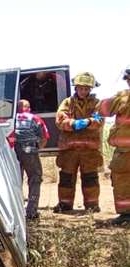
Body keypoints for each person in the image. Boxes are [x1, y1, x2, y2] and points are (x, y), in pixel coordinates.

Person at [54, 72, 105, 213]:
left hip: (89, 151)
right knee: (66, 179)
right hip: (69, 151)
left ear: (91, 89)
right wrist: (73, 124)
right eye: (81, 88)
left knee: (90, 179)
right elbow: (60, 121)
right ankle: (64, 205)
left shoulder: (96, 104)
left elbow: (99, 120)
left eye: (87, 89)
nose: (83, 91)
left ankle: (92, 206)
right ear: (75, 88)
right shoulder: (67, 103)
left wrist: (88, 121)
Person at [97, 66, 130, 226]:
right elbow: (103, 109)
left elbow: (102, 109)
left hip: (123, 153)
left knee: (122, 182)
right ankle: (126, 215)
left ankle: (126, 216)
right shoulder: (122, 97)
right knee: (122, 183)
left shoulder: (122, 97)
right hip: (123, 153)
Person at [9, 100, 50, 219]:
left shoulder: (11, 119)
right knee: (35, 179)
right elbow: (44, 137)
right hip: (30, 151)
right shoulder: (35, 119)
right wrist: (37, 148)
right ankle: (31, 211)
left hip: (13, 152)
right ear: (29, 108)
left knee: (16, 181)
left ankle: (16, 211)